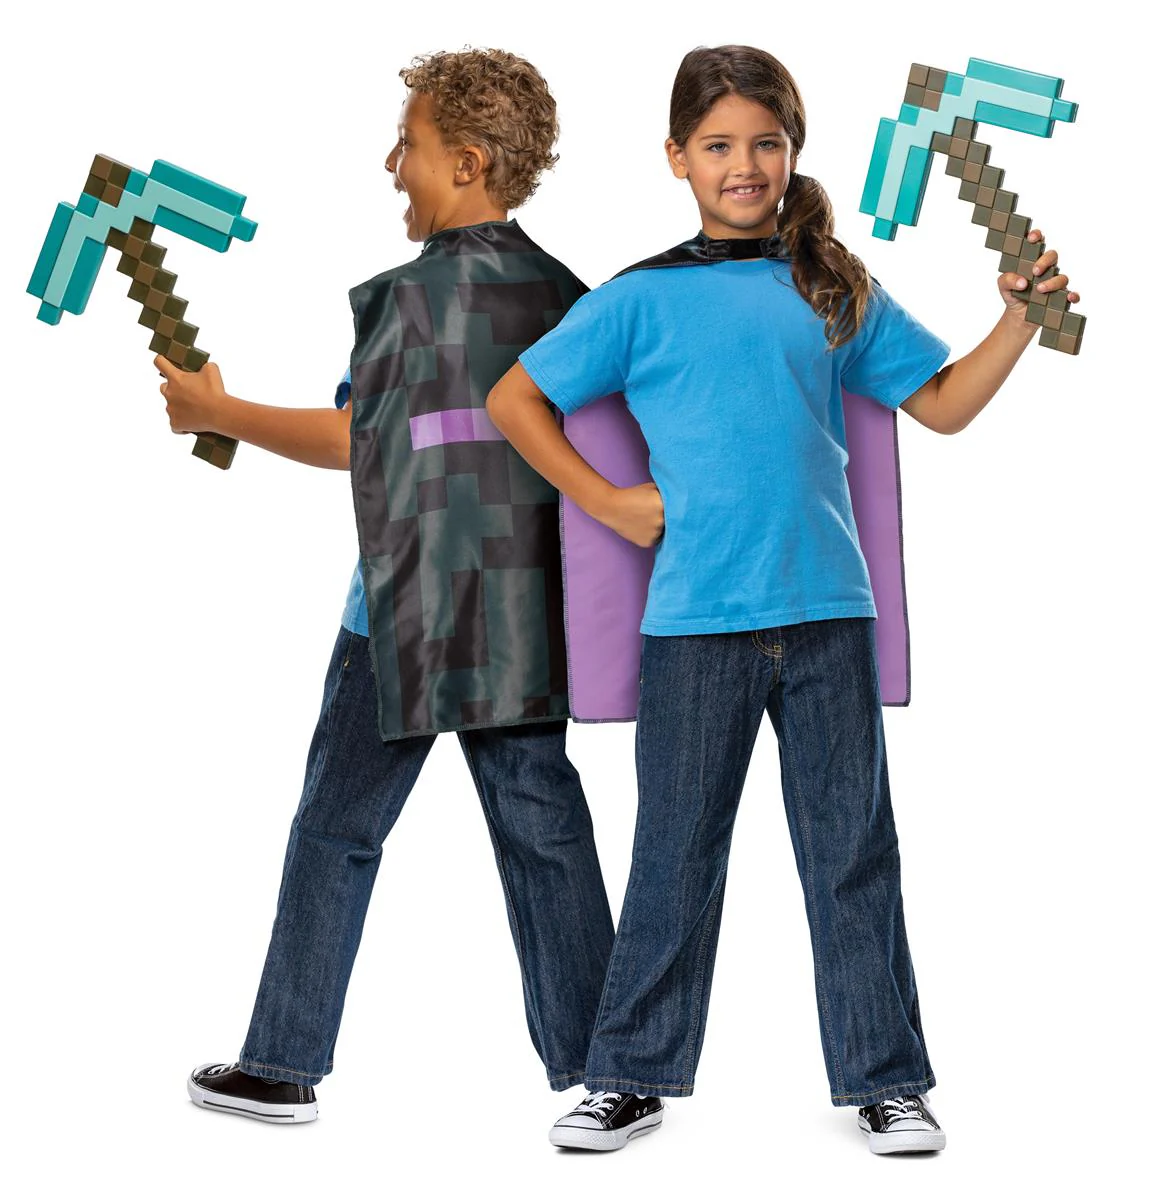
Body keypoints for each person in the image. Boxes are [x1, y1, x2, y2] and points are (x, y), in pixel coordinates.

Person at [487, 44, 1080, 1154]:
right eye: (718, 145)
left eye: (766, 142)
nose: (744, 164)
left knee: (851, 854)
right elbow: (515, 399)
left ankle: (884, 1081)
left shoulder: (831, 287)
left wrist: (1017, 319)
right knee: (673, 856)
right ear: (677, 157)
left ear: (793, 151)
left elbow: (944, 404)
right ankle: (627, 1076)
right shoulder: (637, 299)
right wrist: (606, 501)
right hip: (694, 628)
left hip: (826, 616)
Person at [162, 48, 616, 1125]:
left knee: (336, 827)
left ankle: (282, 1063)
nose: (390, 164)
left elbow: (357, 442)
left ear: (465, 162)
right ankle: (612, 1065)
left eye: (406, 144)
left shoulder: (411, 300)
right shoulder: (572, 298)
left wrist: (220, 414)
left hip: (402, 613)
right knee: (545, 834)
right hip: (519, 616)